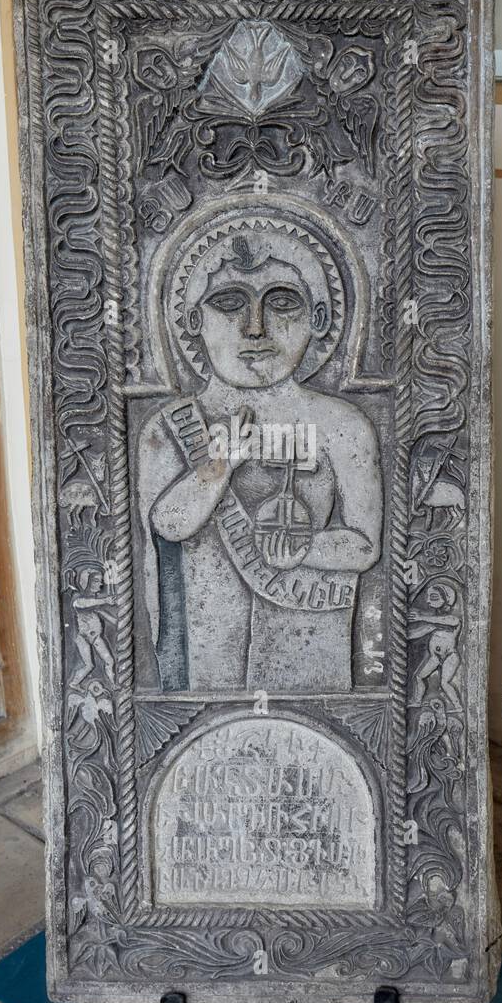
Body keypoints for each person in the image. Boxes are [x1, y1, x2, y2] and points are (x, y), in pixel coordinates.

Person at [137, 220, 383, 693]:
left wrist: (301, 546)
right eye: (229, 303)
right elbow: (166, 526)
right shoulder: (170, 427)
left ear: (320, 319)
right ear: (192, 322)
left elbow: (365, 547)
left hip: (310, 633)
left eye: (282, 302)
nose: (255, 328)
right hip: (210, 645)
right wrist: (219, 466)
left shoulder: (344, 425)